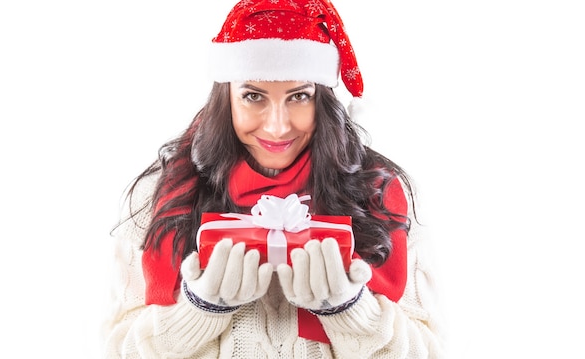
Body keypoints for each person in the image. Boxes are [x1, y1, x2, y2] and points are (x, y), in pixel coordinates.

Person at [101, 0, 444, 357]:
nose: (277, 127)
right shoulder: (157, 196)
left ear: (322, 98)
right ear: (226, 96)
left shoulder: (380, 194)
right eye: (253, 96)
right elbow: (116, 349)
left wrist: (351, 312)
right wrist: (198, 311)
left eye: (299, 96)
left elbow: (430, 350)